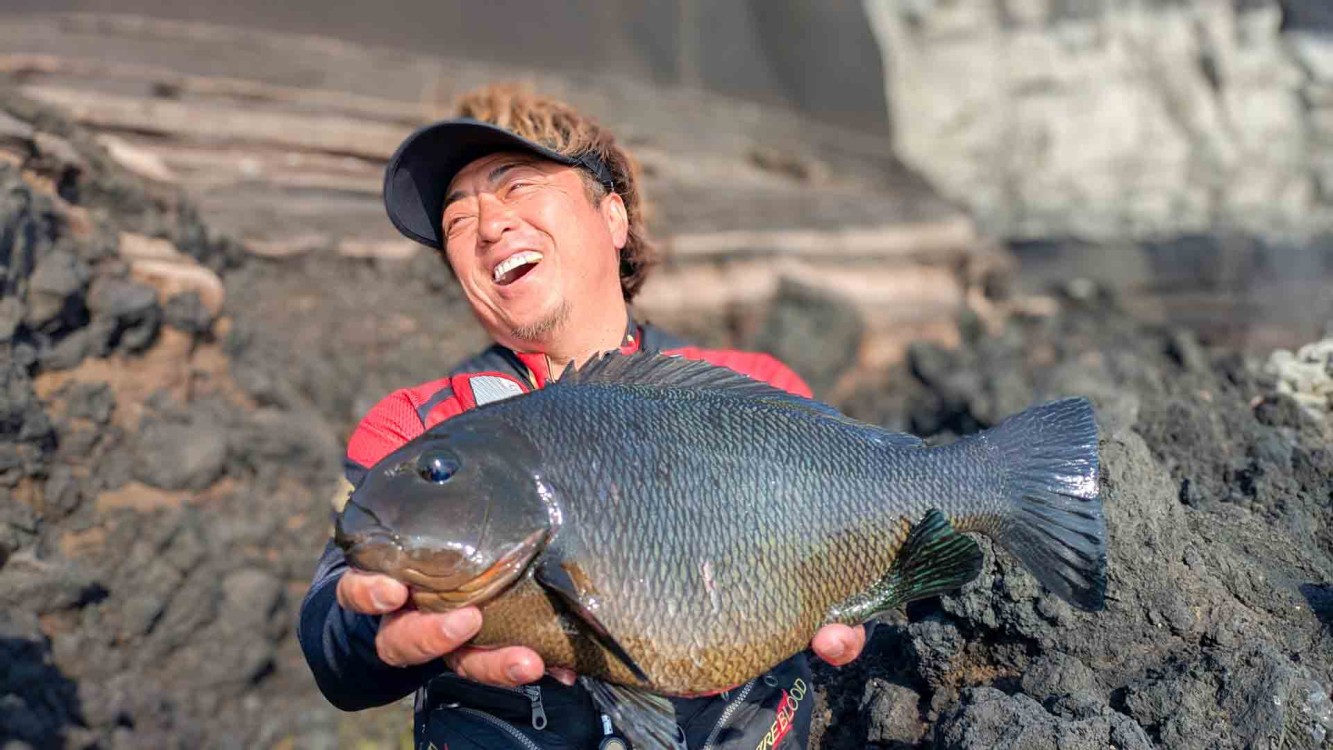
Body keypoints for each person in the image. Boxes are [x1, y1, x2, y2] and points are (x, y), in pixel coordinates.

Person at [298, 84, 866, 749]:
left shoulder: (754, 391)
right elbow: (332, 636)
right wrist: (386, 628)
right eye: (457, 221)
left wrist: (863, 610)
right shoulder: (413, 430)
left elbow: (866, 540)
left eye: (516, 188)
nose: (487, 226)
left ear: (613, 217)